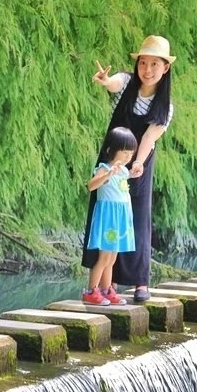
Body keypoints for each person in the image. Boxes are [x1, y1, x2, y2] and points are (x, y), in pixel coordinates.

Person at [82, 35, 175, 302]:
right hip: (111, 157)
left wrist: (137, 163)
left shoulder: (165, 107)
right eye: (143, 63)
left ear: (165, 67)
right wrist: (104, 80)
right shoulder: (126, 83)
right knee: (104, 210)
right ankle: (97, 284)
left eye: (154, 64)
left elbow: (148, 139)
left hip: (138, 163)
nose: (147, 70)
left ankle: (140, 283)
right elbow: (113, 84)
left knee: (137, 217)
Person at [82, 127, 138, 306]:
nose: (128, 156)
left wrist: (132, 173)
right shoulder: (104, 168)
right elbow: (91, 186)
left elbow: (122, 184)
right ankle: (91, 291)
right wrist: (106, 175)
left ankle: (107, 290)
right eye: (124, 151)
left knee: (112, 258)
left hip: (120, 217)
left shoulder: (123, 171)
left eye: (131, 152)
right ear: (110, 150)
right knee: (104, 257)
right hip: (108, 217)